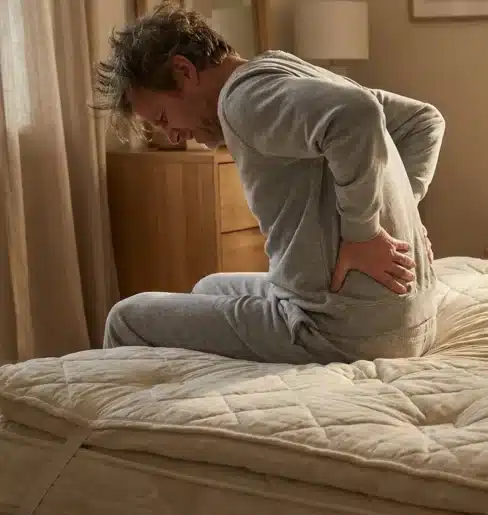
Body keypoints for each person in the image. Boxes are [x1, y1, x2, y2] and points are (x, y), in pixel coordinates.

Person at [93, 5, 444, 364]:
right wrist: (396, 218)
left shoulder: (242, 101)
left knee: (125, 318)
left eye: (164, 117)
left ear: (183, 71)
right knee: (208, 287)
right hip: (410, 317)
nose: (173, 133)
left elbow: (357, 115)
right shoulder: (283, 69)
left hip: (342, 328)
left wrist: (364, 233)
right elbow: (423, 121)